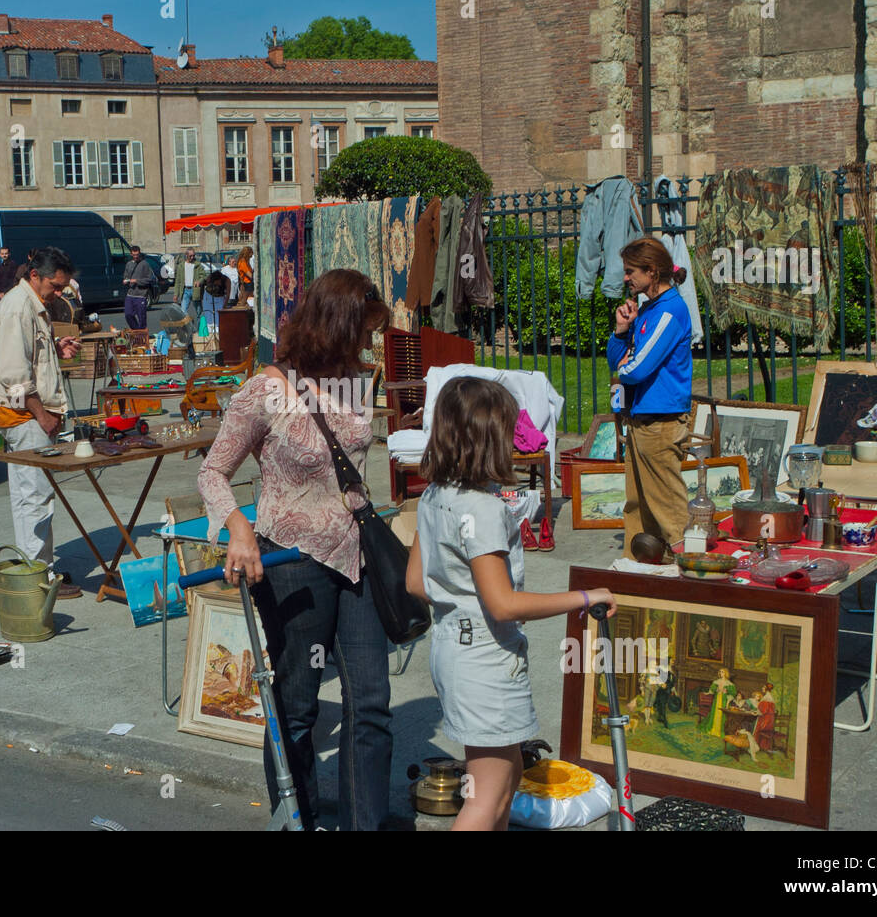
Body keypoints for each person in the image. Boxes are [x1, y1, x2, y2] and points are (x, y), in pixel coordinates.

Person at [200, 268, 392, 831]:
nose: (368, 344)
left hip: (357, 559)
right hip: (291, 563)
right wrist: (237, 528)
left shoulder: (359, 380)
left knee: (372, 704)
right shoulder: (266, 388)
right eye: (362, 331)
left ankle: (365, 824)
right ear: (336, 324)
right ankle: (299, 821)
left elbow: (354, 465)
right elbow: (213, 473)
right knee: (298, 705)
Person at [405, 376, 618, 831]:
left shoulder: (432, 495)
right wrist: (582, 596)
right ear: (488, 438)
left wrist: (457, 596)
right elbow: (502, 604)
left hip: (452, 649)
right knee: (488, 794)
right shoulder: (481, 509)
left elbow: (416, 582)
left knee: (505, 782)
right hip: (484, 660)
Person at [0, 246, 83, 600]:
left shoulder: (32, 306)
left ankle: (38, 568)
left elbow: (26, 354)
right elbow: (14, 378)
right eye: (55, 286)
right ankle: (40, 575)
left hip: (27, 413)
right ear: (34, 276)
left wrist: (54, 346)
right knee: (33, 495)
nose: (58, 293)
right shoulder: (18, 308)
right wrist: (43, 415)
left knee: (32, 493)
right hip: (23, 415)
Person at [607, 236, 693, 560]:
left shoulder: (670, 311)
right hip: (640, 418)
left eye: (631, 271)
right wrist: (620, 330)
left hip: (661, 421)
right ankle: (639, 565)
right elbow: (616, 360)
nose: (626, 278)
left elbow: (635, 370)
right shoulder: (646, 310)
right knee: (638, 505)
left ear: (652, 272)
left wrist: (628, 362)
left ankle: (690, 565)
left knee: (667, 506)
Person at [122, 245, 155, 330]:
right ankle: (136, 331)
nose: (136, 257)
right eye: (134, 255)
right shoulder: (129, 264)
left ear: (139, 254)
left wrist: (137, 281)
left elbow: (150, 279)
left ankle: (142, 333)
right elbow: (126, 276)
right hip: (130, 294)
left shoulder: (145, 264)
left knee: (142, 317)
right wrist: (125, 281)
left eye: (137, 255)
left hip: (141, 295)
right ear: (131, 254)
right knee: (128, 314)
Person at [172, 246, 207, 321]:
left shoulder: (198, 265)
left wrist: (199, 281)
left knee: (199, 312)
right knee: (183, 311)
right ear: (186, 255)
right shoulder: (181, 266)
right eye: (190, 256)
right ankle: (190, 324)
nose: (192, 257)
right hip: (185, 291)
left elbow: (204, 276)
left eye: (194, 255)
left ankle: (200, 329)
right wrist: (176, 294)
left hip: (195, 290)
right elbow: (178, 281)